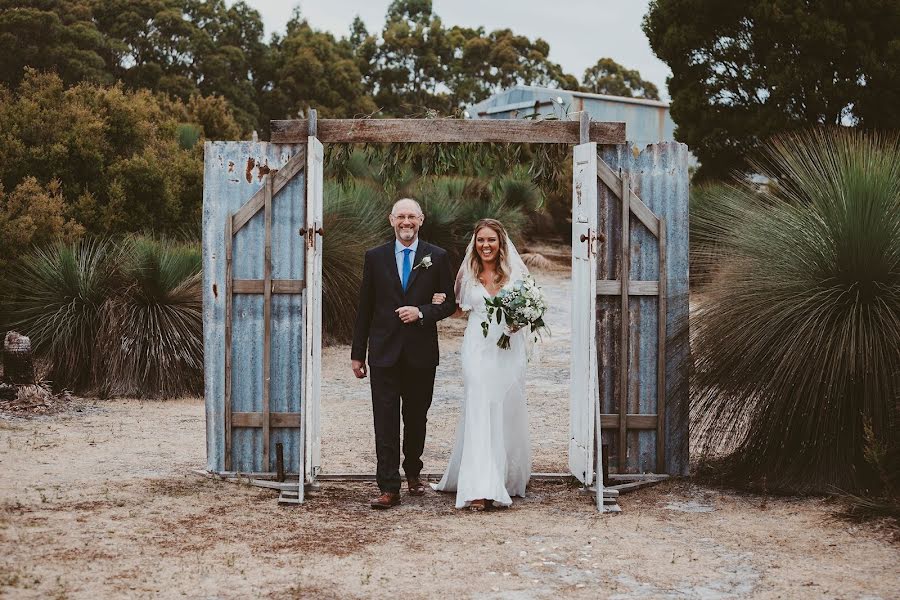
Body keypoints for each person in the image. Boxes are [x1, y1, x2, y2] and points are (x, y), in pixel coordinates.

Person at [351, 198, 457, 509]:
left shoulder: (436, 257)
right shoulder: (375, 257)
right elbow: (365, 308)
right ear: (391, 220)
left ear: (421, 220)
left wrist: (423, 312)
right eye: (401, 217)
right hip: (383, 352)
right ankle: (388, 487)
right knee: (384, 419)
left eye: (412, 216)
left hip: (421, 353)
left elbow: (450, 302)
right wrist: (358, 353)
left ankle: (413, 471)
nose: (406, 222)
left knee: (415, 418)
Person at [430, 218, 532, 511]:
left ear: (501, 243)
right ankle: (479, 487)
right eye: (480, 240)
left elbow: (528, 309)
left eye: (491, 240)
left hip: (507, 349)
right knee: (479, 407)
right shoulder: (467, 274)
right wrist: (438, 302)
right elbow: (459, 311)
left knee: (503, 409)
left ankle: (505, 476)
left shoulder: (515, 275)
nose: (485, 245)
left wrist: (520, 321)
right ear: (474, 244)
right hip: (476, 349)